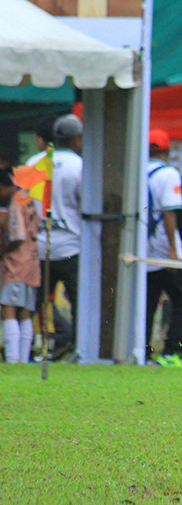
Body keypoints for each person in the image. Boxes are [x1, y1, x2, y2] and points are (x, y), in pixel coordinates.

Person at [31, 114, 83, 357]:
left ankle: (21, 351)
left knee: (33, 303)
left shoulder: (34, 162)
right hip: (72, 246)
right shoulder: (80, 165)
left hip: (39, 247)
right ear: (76, 139)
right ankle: (79, 350)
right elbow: (86, 205)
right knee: (79, 303)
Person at [145, 128, 182, 367]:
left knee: (147, 304)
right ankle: (171, 352)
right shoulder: (169, 174)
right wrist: (173, 251)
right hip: (164, 248)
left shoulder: (136, 171)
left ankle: (143, 352)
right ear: (167, 150)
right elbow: (169, 213)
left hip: (143, 249)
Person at [0, 166, 41, 363]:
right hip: (32, 262)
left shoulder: (15, 202)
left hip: (16, 264)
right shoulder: (27, 197)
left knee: (8, 308)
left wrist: (3, 250)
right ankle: (23, 360)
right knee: (25, 312)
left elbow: (17, 236)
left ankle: (13, 358)